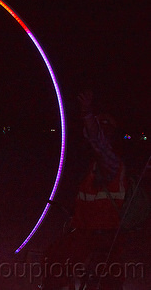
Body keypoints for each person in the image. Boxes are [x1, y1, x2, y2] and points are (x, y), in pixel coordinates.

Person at [42, 91, 127, 290]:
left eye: (104, 128)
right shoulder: (93, 166)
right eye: (99, 126)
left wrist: (87, 113)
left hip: (105, 235)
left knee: (107, 279)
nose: (100, 132)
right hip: (86, 232)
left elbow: (98, 141)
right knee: (55, 257)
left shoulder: (111, 162)